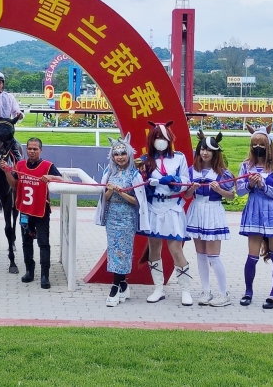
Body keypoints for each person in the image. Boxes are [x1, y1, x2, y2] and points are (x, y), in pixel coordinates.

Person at [137, 121, 194, 306]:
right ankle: (158, 289)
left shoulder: (179, 157)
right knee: (154, 248)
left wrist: (175, 180)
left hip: (173, 207)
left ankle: (185, 290)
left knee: (176, 249)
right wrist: (147, 182)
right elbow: (138, 181)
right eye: (157, 137)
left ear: (169, 138)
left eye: (163, 137)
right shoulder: (145, 160)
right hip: (154, 207)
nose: (160, 141)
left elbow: (186, 179)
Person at [236, 125, 273, 309]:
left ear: (268, 145)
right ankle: (248, 292)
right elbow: (239, 191)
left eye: (261, 144)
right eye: (254, 144)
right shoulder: (246, 165)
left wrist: (263, 186)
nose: (257, 147)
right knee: (252, 256)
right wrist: (251, 185)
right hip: (254, 211)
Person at [2, 137, 64, 289]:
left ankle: (45, 275)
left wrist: (51, 177)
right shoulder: (20, 164)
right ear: (26, 149)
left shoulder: (48, 165)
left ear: (40, 150)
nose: (32, 151)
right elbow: (15, 184)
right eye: (29, 148)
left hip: (41, 212)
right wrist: (6, 172)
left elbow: (62, 179)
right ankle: (29, 271)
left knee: (43, 243)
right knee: (26, 242)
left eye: (35, 149)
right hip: (25, 212)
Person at [94, 134, 148, 307]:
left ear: (129, 154)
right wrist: (110, 190)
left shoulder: (135, 174)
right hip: (112, 217)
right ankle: (124, 284)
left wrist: (121, 192)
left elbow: (137, 201)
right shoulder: (108, 172)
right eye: (117, 154)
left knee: (123, 251)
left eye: (123, 153)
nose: (120, 157)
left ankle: (115, 286)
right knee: (114, 249)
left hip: (127, 217)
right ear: (112, 156)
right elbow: (105, 198)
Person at [183, 131, 235, 307]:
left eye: (208, 150)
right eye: (202, 149)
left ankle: (223, 293)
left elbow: (231, 196)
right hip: (197, 209)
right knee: (201, 255)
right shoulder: (192, 171)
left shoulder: (223, 173)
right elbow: (187, 194)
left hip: (213, 212)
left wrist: (219, 190)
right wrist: (192, 188)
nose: (204, 153)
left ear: (215, 153)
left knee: (214, 256)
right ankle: (206, 291)